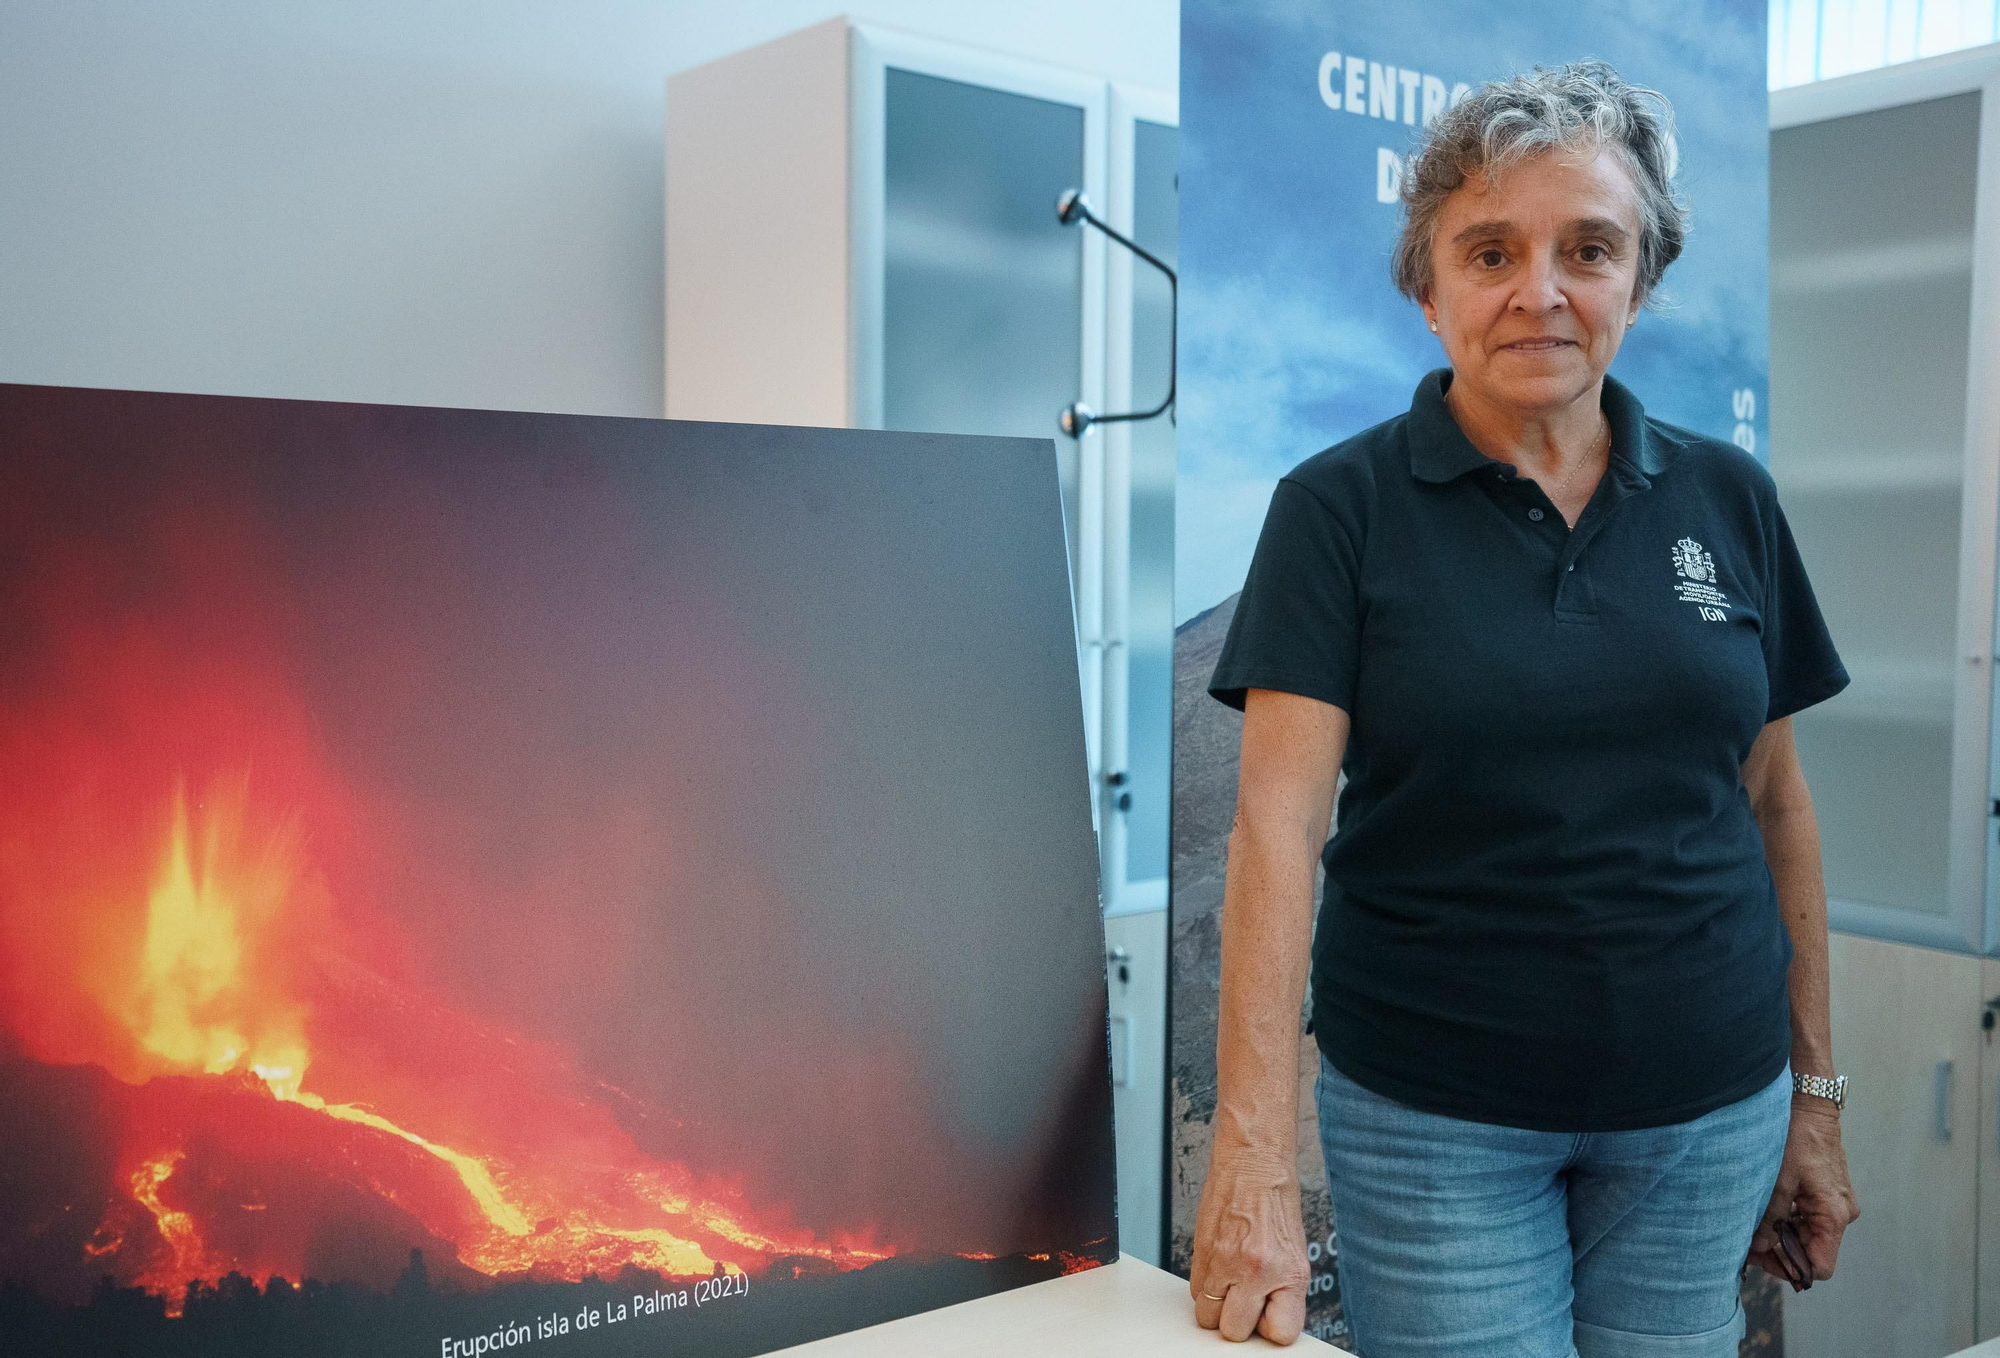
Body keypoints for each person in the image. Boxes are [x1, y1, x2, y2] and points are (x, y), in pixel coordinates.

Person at [1188, 61, 1860, 1357]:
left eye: (1588, 249)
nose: (1538, 291)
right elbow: (1274, 836)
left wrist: (1817, 1100)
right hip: (1437, 1123)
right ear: (1425, 286)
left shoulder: (1731, 499)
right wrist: (1256, 1157)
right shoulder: (1338, 510)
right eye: (1490, 249)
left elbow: (1778, 804)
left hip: (1709, 1116)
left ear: (1642, 281)